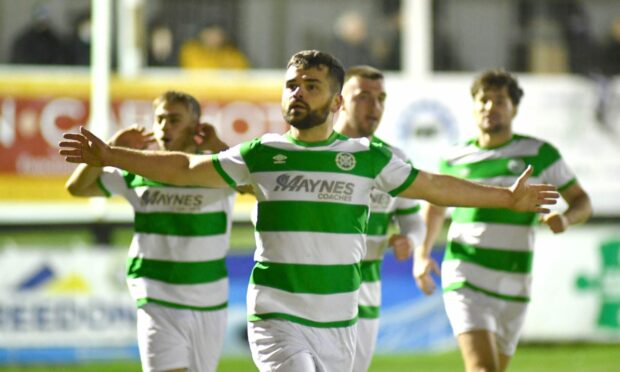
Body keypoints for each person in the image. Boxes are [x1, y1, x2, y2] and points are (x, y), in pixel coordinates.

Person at [59, 50, 559, 372]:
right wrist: (110, 154)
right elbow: (186, 167)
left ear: (334, 99)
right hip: (278, 315)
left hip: (340, 320)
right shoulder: (262, 153)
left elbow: (433, 187)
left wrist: (506, 198)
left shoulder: (369, 158)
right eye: (291, 85)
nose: (297, 93)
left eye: (311, 86)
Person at [413, 69, 592, 372]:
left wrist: (567, 219)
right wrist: (422, 253)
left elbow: (582, 201)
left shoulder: (539, 153)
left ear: (514, 109)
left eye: (499, 101)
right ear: (472, 106)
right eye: (483, 100)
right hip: (465, 274)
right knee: (482, 369)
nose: (489, 107)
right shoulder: (454, 158)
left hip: (514, 282)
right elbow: (434, 207)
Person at [64, 91, 235, 372]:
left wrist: (220, 147)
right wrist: (108, 151)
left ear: (196, 126)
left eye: (174, 119)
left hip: (208, 298)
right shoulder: (137, 169)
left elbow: (251, 185)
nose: (165, 126)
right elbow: (78, 188)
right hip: (156, 295)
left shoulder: (216, 167)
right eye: (160, 119)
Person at [334, 65, 425, 372]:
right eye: (363, 97)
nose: (375, 107)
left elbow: (415, 221)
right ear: (340, 101)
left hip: (364, 298)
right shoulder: (316, 153)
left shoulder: (394, 160)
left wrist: (408, 239)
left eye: (381, 98)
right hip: (312, 296)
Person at [178, 23, 250, 70]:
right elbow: (194, 69)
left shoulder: (230, 53)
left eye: (218, 35)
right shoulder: (190, 49)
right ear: (202, 34)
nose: (214, 38)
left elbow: (243, 70)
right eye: (210, 34)